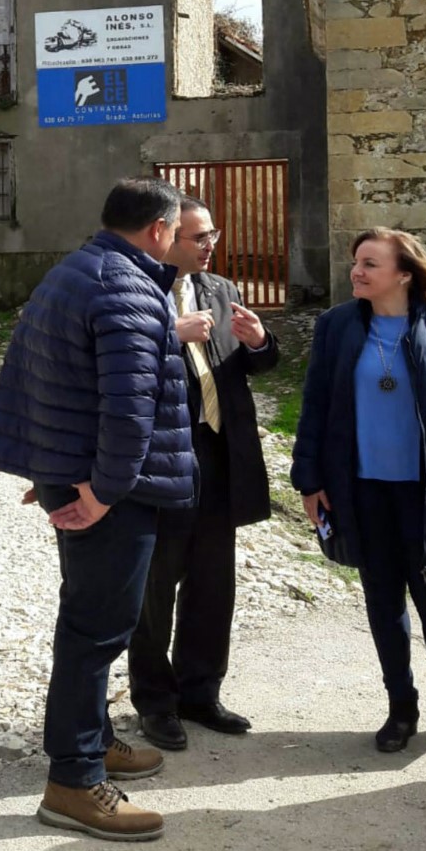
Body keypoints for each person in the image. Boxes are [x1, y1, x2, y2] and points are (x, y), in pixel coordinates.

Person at [0, 177, 197, 841]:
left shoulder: (73, 271)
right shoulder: (127, 285)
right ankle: (72, 781)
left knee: (90, 617)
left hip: (78, 480)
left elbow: (43, 377)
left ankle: (95, 741)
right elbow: (128, 408)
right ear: (159, 230)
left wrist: (50, 469)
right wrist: (101, 491)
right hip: (110, 493)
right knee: (96, 629)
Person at [290, 227, 426, 756]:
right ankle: (400, 708)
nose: (356, 272)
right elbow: (315, 405)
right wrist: (309, 480)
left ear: (404, 274)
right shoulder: (336, 326)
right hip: (360, 491)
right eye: (355, 262)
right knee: (383, 604)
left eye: (369, 264)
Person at [129, 195, 279, 750]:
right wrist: (170, 333)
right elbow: (119, 362)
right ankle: (155, 702)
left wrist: (260, 342)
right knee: (155, 586)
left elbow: (247, 367)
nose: (210, 244)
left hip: (219, 454)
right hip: (165, 454)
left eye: (213, 235)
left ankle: (201, 692)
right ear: (165, 236)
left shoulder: (222, 290)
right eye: (199, 237)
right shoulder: (138, 289)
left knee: (214, 582)